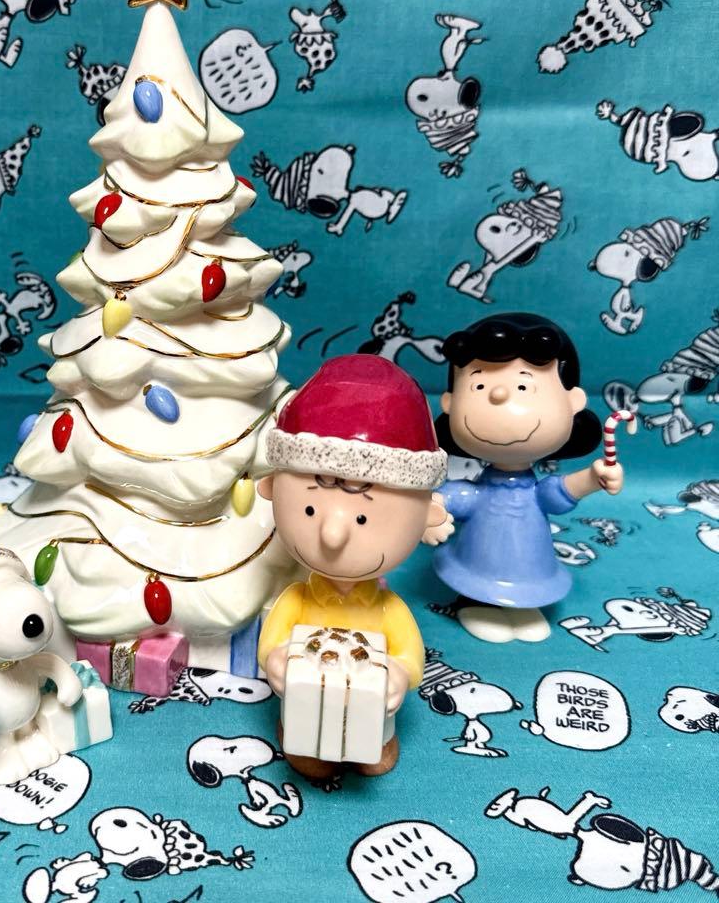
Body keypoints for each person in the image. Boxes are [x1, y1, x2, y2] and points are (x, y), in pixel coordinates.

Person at [256, 354, 447, 780]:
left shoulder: (388, 609)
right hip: (306, 717)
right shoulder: (296, 599)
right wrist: (277, 660)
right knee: (307, 746)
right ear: (271, 490)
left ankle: (374, 746)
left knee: (373, 749)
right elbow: (272, 642)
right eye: (309, 509)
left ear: (427, 516)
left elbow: (409, 654)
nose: (332, 534)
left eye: (362, 517)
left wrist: (399, 673)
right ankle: (305, 748)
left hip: (371, 718)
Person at [426, 313, 621, 643]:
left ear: (572, 402)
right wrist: (432, 510)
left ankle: (521, 606)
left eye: (522, 386)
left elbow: (554, 495)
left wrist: (592, 478)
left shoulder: (534, 489)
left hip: (534, 568)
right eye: (478, 386)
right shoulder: (479, 490)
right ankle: (476, 605)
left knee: (528, 593)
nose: (500, 395)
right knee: (479, 584)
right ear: (449, 403)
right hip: (474, 565)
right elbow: (458, 497)